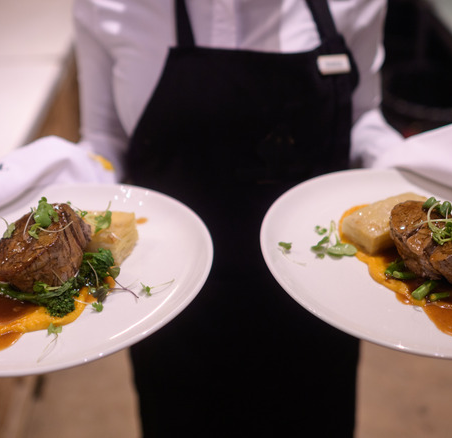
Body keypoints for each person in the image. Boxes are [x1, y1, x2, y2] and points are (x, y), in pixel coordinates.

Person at [72, 0, 404, 436]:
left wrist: (406, 166)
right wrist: (61, 185)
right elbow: (105, 138)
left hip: (318, 301)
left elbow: (361, 116)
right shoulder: (107, 6)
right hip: (170, 305)